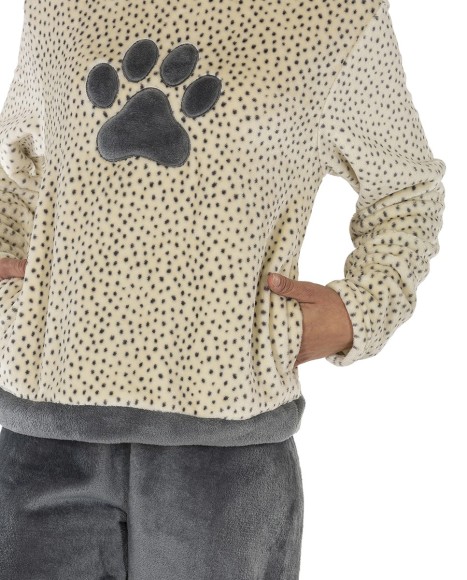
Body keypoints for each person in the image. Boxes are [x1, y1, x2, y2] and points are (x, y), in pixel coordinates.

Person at [0, 0, 446, 578]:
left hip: (227, 441)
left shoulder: (337, 15)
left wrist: (358, 313)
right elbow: (16, 169)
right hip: (42, 430)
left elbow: (405, 190)